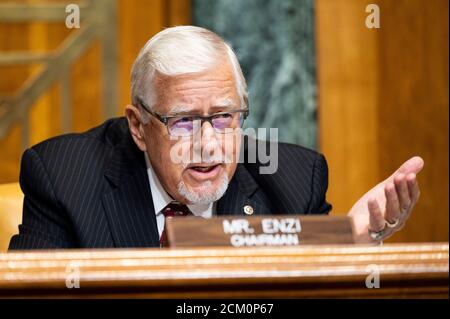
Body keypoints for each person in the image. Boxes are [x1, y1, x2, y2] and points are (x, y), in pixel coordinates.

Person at [8, 26, 423, 250]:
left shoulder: (295, 180)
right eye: (183, 120)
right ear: (138, 126)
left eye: (223, 116)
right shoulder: (64, 177)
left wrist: (346, 250)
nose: (207, 143)